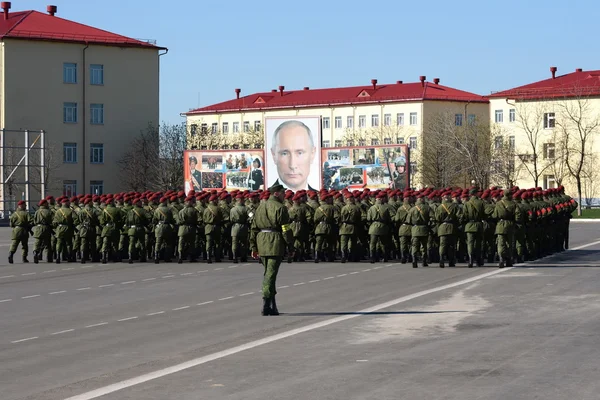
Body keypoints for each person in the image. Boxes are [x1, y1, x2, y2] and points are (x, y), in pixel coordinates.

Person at [250, 183, 294, 316]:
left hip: (261, 241)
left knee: (269, 274)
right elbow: (285, 229)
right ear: (276, 193)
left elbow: (253, 229)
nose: (284, 195)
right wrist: (290, 245)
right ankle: (266, 302)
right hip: (274, 242)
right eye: (282, 193)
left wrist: (253, 247)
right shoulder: (280, 208)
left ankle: (272, 305)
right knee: (270, 275)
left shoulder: (260, 207)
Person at [269, 120, 317, 191]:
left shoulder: (326, 201)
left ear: (312, 154)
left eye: (300, 153)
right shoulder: (259, 201)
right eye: (284, 153)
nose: (292, 165)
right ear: (274, 155)